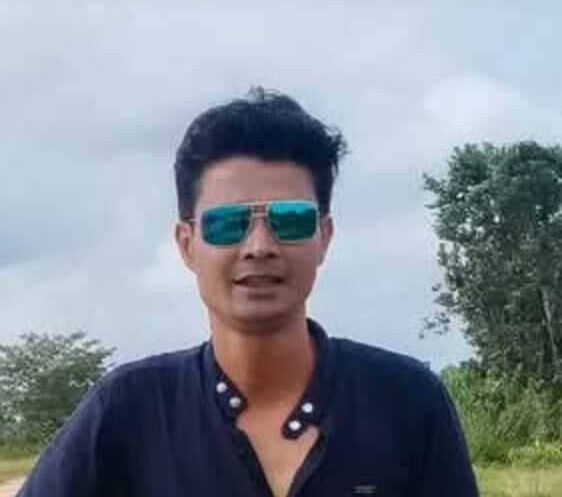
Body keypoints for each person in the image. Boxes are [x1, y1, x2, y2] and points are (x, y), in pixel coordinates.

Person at [18, 88, 479, 496]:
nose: (260, 246)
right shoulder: (129, 410)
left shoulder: (407, 403)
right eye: (228, 223)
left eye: (290, 220)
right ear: (187, 244)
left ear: (324, 237)